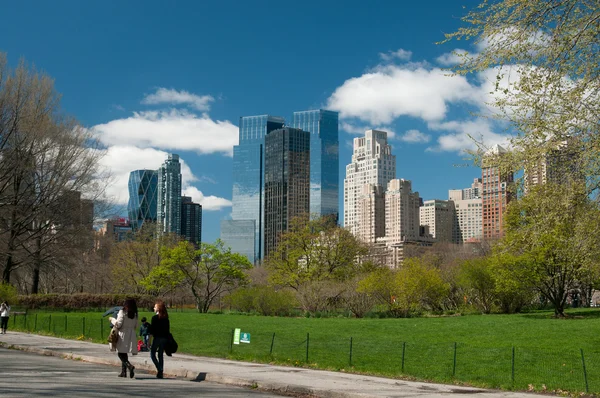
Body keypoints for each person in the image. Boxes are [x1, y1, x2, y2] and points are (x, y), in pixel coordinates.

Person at [109, 298, 138, 378]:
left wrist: (112, 320)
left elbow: (118, 324)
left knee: (120, 353)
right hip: (131, 334)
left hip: (123, 334)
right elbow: (136, 325)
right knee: (124, 352)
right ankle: (123, 372)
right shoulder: (134, 314)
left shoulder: (122, 312)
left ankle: (129, 366)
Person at [150, 300, 170, 379]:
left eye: (155, 307)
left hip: (157, 337)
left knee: (152, 354)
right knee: (160, 355)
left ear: (158, 309)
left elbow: (152, 330)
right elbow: (167, 330)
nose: (153, 308)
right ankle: (160, 372)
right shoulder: (166, 319)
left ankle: (159, 369)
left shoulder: (155, 318)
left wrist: (149, 341)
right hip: (164, 338)